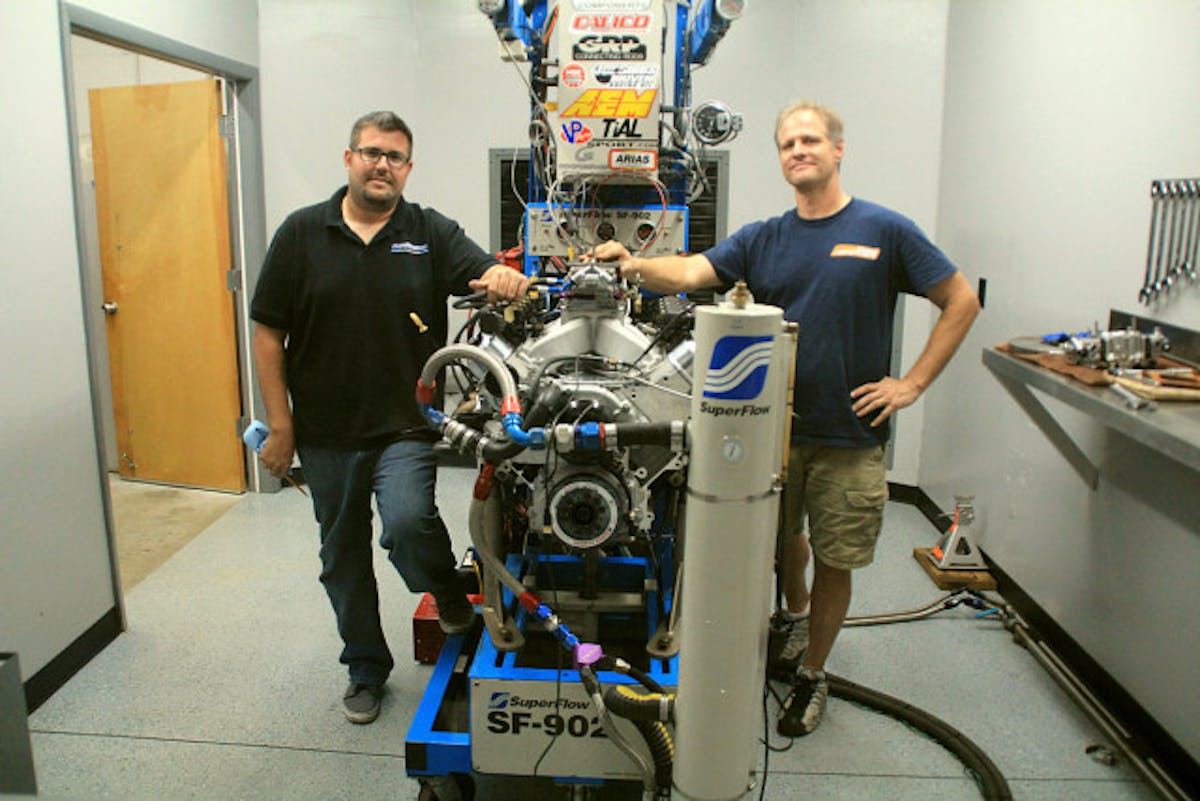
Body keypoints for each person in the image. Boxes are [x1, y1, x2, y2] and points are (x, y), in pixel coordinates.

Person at [594, 100, 980, 736]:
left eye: (809, 140)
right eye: (786, 144)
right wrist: (634, 265)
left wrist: (911, 384)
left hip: (849, 439)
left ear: (837, 149)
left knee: (837, 557)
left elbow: (959, 300)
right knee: (775, 544)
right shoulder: (765, 236)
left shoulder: (885, 230)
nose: (798, 151)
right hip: (768, 433)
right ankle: (793, 618)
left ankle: (812, 674)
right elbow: (692, 271)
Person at [250, 111, 529, 725]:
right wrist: (282, 425)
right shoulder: (301, 234)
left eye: (395, 157)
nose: (382, 165)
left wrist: (503, 276)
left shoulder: (427, 230)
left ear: (408, 169)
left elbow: (481, 271)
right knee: (342, 559)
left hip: (404, 422)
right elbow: (268, 331)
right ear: (348, 158)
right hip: (324, 432)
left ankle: (449, 596)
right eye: (371, 152)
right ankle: (366, 668)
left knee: (407, 523)